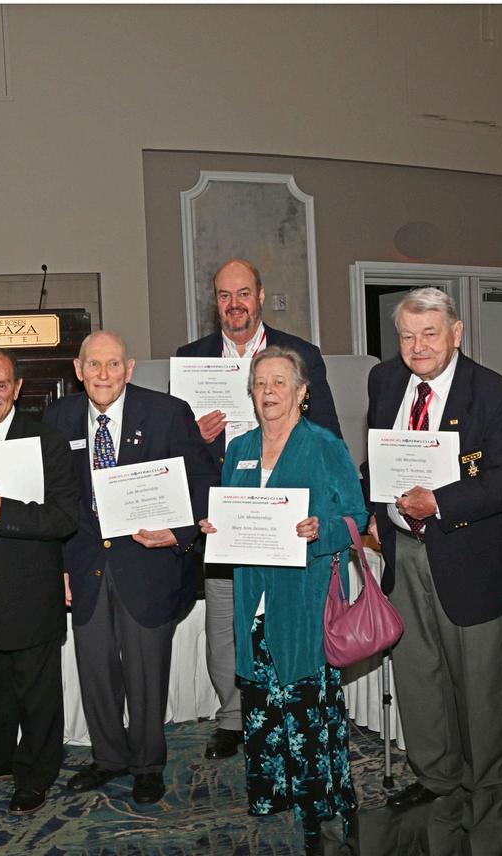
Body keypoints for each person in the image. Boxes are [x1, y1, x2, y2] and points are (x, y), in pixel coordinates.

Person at [367, 287, 502, 853]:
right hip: (403, 555)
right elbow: (378, 456)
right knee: (419, 684)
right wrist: (372, 504)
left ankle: (494, 815)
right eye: (407, 335)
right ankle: (440, 788)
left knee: (483, 699)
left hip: (470, 563)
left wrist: (440, 502)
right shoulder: (385, 381)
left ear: (457, 333)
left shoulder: (498, 395)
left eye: (430, 334)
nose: (418, 347)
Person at [196, 346, 364, 854]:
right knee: (262, 704)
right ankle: (273, 799)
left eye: (279, 382)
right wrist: (216, 527)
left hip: (305, 599)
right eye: (260, 383)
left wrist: (321, 529)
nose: (268, 392)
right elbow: (234, 512)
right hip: (253, 597)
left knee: (306, 707)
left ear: (302, 391)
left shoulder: (324, 445)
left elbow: (356, 517)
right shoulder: (239, 447)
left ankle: (320, 805)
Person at [176, 259, 342, 762]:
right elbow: (173, 453)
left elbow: (327, 435)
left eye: (243, 293)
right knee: (225, 625)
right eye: (225, 295)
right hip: (225, 521)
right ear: (215, 302)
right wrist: (193, 435)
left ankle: (287, 709)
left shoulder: (301, 354)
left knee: (287, 622)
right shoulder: (191, 358)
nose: (235, 304)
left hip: (285, 521)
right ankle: (233, 717)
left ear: (261, 295)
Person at [43, 331, 216, 805]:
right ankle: (108, 757)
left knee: (145, 673)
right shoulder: (58, 418)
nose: (103, 375)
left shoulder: (166, 413)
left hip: (148, 564)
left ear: (130, 368)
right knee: (95, 670)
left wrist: (179, 533)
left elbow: (204, 480)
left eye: (113, 364)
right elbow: (54, 495)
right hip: (85, 565)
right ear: (78, 370)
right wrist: (59, 564)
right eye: (93, 365)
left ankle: (147, 764)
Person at [0, 347, 80, 815]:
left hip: (29, 584)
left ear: (17, 388)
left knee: (36, 689)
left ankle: (37, 772)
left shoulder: (47, 440)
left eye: (1, 384)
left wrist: (0, 508)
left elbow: (65, 516)